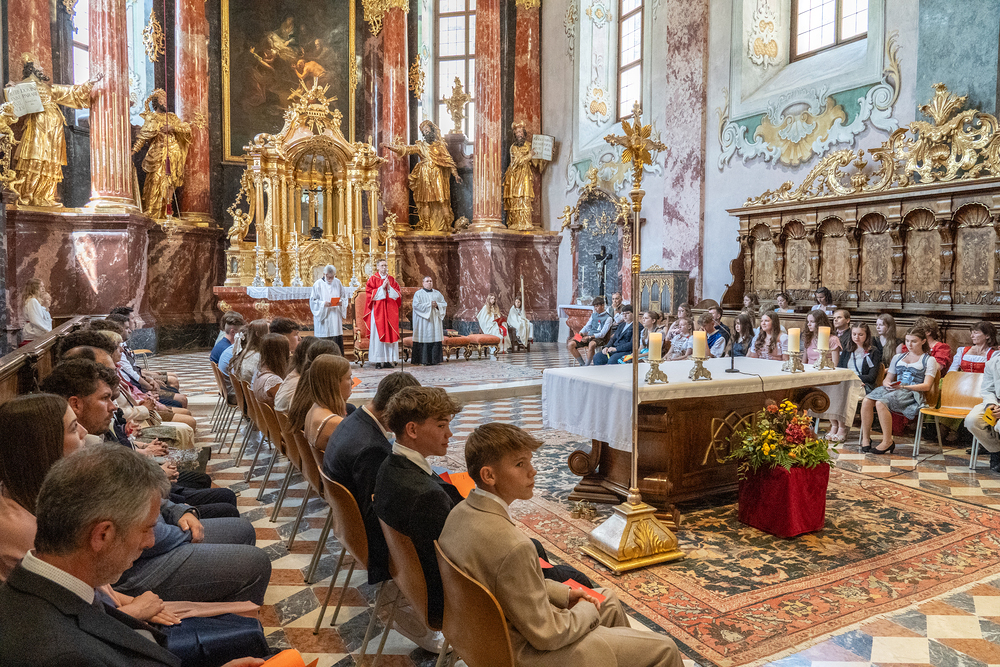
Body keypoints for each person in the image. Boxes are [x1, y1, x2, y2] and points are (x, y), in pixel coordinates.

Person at [439, 423, 684, 667]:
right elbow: (548, 634)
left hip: (485, 638)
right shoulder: (514, 546)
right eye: (520, 464)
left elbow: (507, 585)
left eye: (529, 461)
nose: (533, 471)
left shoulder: (458, 514)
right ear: (489, 475)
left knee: (607, 600)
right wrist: (585, 610)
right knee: (664, 648)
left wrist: (564, 594)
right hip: (523, 654)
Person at [0, 444, 267, 667]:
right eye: (146, 529)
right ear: (102, 535)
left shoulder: (51, 585)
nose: (150, 542)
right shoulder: (63, 654)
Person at [322, 372, 421, 584]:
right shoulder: (372, 449)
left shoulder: (353, 419)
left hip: (346, 527)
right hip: (369, 541)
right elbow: (378, 512)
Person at [6, 56, 101, 207]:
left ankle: (44, 196)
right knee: (35, 158)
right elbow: (13, 104)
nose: (42, 69)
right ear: (31, 68)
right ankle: (28, 195)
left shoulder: (48, 88)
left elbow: (71, 92)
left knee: (52, 160)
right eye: (38, 66)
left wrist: (90, 82)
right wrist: (12, 88)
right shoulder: (23, 85)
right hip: (38, 125)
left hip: (55, 127)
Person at [860, 326, 940, 455]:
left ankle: (887, 441)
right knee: (867, 400)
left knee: (881, 402)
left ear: (923, 341)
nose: (909, 344)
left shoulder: (929, 360)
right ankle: (865, 438)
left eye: (914, 341)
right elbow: (887, 378)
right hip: (895, 388)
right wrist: (888, 384)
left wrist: (903, 387)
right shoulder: (898, 357)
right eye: (907, 341)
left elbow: (927, 386)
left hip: (912, 392)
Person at [383, 119, 461, 232]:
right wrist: (391, 147)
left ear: (433, 131)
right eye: (424, 132)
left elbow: (449, 161)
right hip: (425, 176)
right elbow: (407, 149)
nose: (426, 133)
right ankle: (427, 226)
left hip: (438, 175)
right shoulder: (421, 145)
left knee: (443, 200)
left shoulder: (440, 146)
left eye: (428, 131)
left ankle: (447, 225)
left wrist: (456, 174)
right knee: (425, 202)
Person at [132, 89, 192, 220]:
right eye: (162, 99)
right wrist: (133, 151)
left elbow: (186, 129)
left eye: (165, 99)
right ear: (157, 102)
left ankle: (167, 212)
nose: (165, 102)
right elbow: (143, 137)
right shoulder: (152, 118)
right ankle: (152, 211)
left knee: (170, 183)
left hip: (173, 154)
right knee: (155, 181)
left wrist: (173, 128)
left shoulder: (172, 117)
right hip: (157, 155)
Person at [289, 354, 353, 449]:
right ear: (334, 383)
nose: (352, 382)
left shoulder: (314, 407)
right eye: (348, 378)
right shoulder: (334, 423)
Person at [964, 353, 1000, 473]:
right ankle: (996, 451)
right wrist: (991, 405)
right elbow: (987, 389)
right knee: (972, 420)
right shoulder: (992, 363)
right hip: (996, 401)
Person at [364, 259, 402, 369]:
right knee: (377, 336)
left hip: (390, 311)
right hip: (378, 312)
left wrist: (389, 288)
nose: (384, 268)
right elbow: (369, 294)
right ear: (377, 267)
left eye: (385, 265)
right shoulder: (372, 279)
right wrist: (381, 288)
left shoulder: (392, 279)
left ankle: (388, 360)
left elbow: (398, 295)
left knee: (390, 334)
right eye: (382, 265)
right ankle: (378, 361)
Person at [503, 120, 537, 231]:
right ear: (515, 135)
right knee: (516, 198)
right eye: (517, 133)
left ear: (524, 133)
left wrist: (548, 153)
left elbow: (537, 163)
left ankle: (526, 222)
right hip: (514, 176)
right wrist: (529, 156)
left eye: (521, 132)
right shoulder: (513, 147)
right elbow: (517, 161)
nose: (519, 134)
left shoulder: (529, 145)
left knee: (525, 196)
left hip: (525, 174)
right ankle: (516, 222)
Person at [309, 264, 348, 353]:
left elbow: (344, 296)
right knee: (324, 338)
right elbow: (313, 301)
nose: (330, 279)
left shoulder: (337, 282)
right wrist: (323, 304)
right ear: (324, 274)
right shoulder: (318, 284)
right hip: (324, 317)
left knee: (336, 337)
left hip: (335, 315)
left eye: (332, 277)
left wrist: (341, 302)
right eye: (328, 277)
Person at [412, 276, 447, 366]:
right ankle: (423, 360)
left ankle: (435, 360)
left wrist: (437, 305)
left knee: (435, 338)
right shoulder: (418, 294)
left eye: (431, 281)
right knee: (424, 337)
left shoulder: (437, 294)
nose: (429, 283)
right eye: (427, 281)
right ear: (423, 283)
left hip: (435, 320)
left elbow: (444, 304)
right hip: (423, 321)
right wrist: (429, 305)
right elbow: (416, 306)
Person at [566, 296, 612, 366]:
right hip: (588, 336)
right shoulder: (593, 315)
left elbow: (602, 334)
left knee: (591, 344)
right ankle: (582, 363)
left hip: (599, 339)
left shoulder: (608, 318)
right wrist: (581, 333)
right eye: (594, 306)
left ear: (603, 305)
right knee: (571, 343)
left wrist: (589, 337)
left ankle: (587, 365)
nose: (595, 308)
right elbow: (587, 327)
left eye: (597, 306)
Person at [841, 323, 882, 393]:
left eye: (860, 335)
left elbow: (871, 377)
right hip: (846, 382)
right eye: (854, 334)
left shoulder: (873, 352)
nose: (856, 337)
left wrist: (854, 379)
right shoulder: (847, 350)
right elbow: (840, 368)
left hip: (863, 383)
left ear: (867, 335)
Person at [251, 333, 289, 406]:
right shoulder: (274, 381)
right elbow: (284, 407)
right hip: (274, 413)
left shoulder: (259, 372)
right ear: (281, 354)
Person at [21, 278, 52, 342]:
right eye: (41, 286)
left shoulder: (33, 301)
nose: (43, 289)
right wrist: (47, 330)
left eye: (43, 286)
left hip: (36, 332)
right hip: (34, 333)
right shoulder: (32, 301)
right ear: (34, 288)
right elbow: (35, 320)